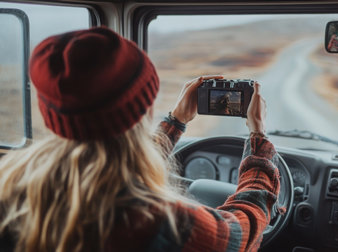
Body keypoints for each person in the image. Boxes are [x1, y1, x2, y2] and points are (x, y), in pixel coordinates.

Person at [0, 27, 280, 252]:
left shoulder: (11, 184)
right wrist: (258, 138)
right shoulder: (152, 222)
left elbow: (115, 153)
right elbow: (243, 231)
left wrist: (175, 122)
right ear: (142, 111)